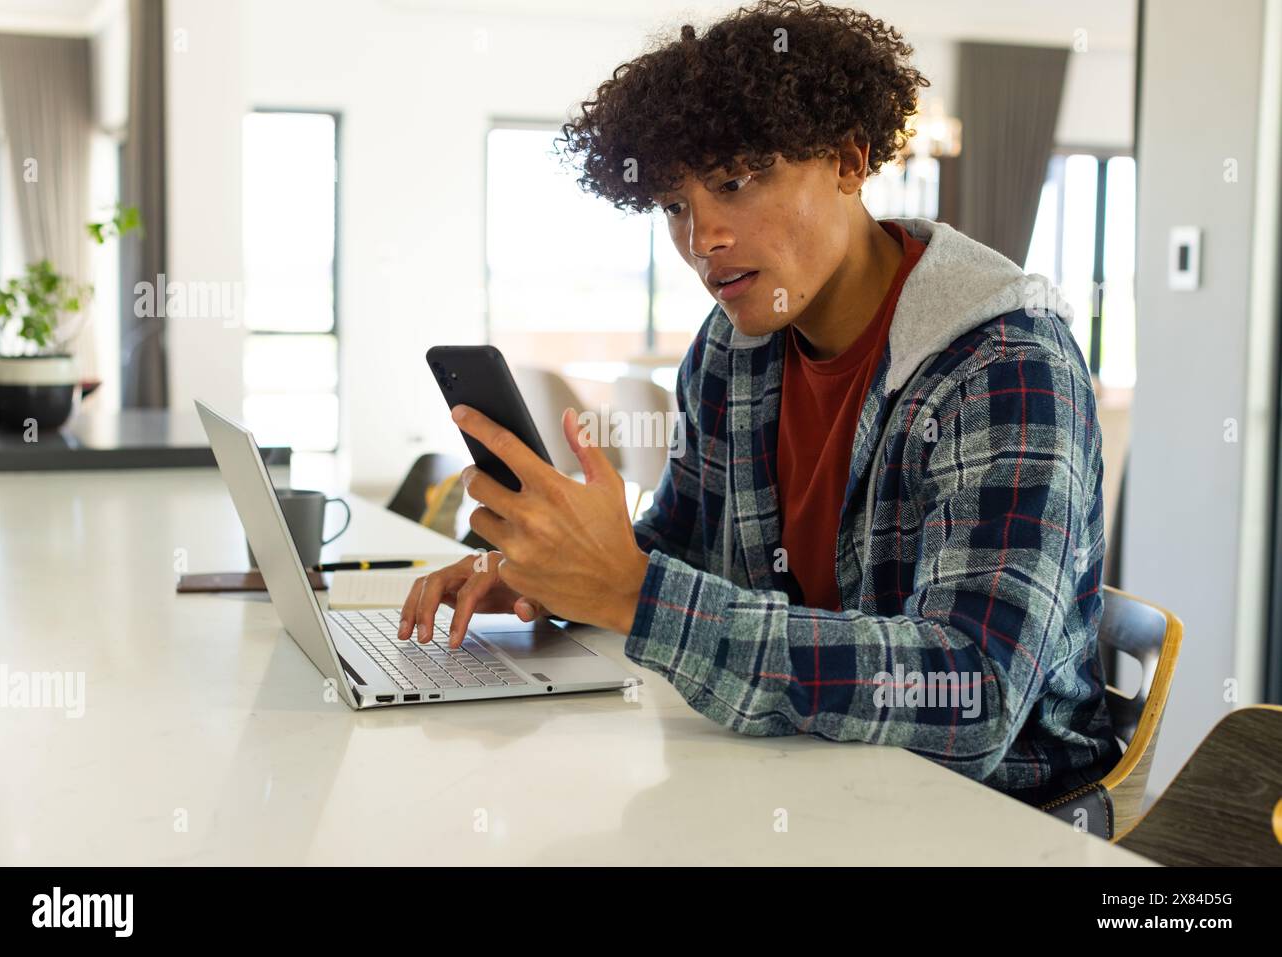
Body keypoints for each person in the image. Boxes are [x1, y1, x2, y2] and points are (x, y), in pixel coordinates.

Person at [398, 0, 1119, 808]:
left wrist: (634, 594)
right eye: (674, 203)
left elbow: (973, 692)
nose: (701, 236)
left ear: (850, 161)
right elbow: (679, 547)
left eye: (736, 182)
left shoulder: (1004, 361)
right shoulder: (733, 349)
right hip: (801, 779)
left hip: (996, 816)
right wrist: (551, 579)